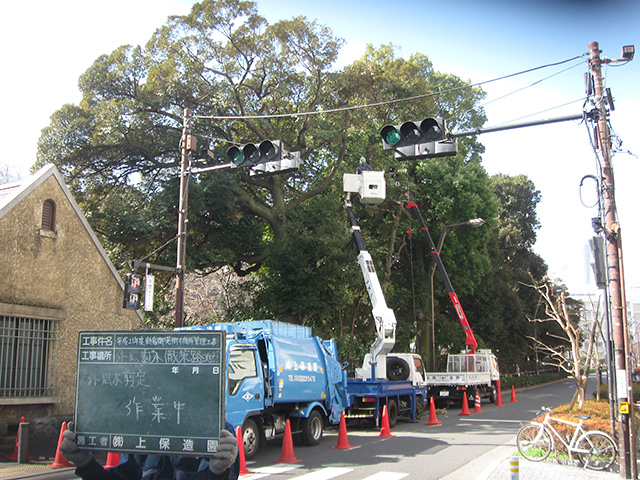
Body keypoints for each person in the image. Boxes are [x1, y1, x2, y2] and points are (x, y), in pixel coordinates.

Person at [59, 422, 240, 480]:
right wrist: (86, 464)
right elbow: (125, 474)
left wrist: (218, 472)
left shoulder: (217, 432)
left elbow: (226, 475)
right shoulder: (141, 434)